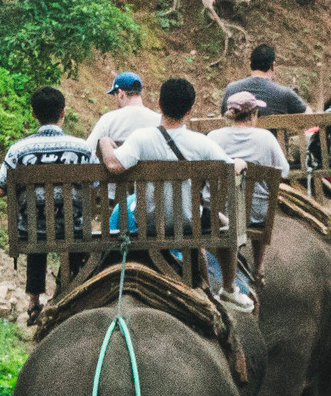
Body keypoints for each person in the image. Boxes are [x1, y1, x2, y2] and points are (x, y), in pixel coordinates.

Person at [128, 77, 249, 302]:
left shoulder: (139, 138)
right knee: (225, 224)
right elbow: (231, 168)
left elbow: (116, 165)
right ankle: (229, 288)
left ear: (159, 104)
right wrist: (240, 162)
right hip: (188, 223)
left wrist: (106, 144)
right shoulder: (201, 142)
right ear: (190, 110)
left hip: (147, 223)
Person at [0, 85, 96, 325]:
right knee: (68, 226)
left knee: (36, 227)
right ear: (63, 113)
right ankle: (70, 288)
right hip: (74, 229)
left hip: (32, 231)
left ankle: (34, 301)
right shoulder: (81, 147)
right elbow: (95, 185)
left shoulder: (19, 150)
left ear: (33, 114)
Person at [210, 88, 289, 227]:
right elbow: (284, 171)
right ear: (253, 114)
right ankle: (257, 249)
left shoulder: (214, 137)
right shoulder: (266, 138)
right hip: (256, 215)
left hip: (223, 212)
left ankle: (229, 247)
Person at [86, 70, 159, 170]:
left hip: (116, 183)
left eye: (115, 95)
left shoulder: (108, 119)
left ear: (120, 93)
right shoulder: (158, 120)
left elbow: (88, 150)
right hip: (150, 185)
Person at [222, 42, 308, 116]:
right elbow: (309, 115)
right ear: (273, 65)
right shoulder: (285, 93)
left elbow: (223, 116)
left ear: (250, 64)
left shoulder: (231, 89)